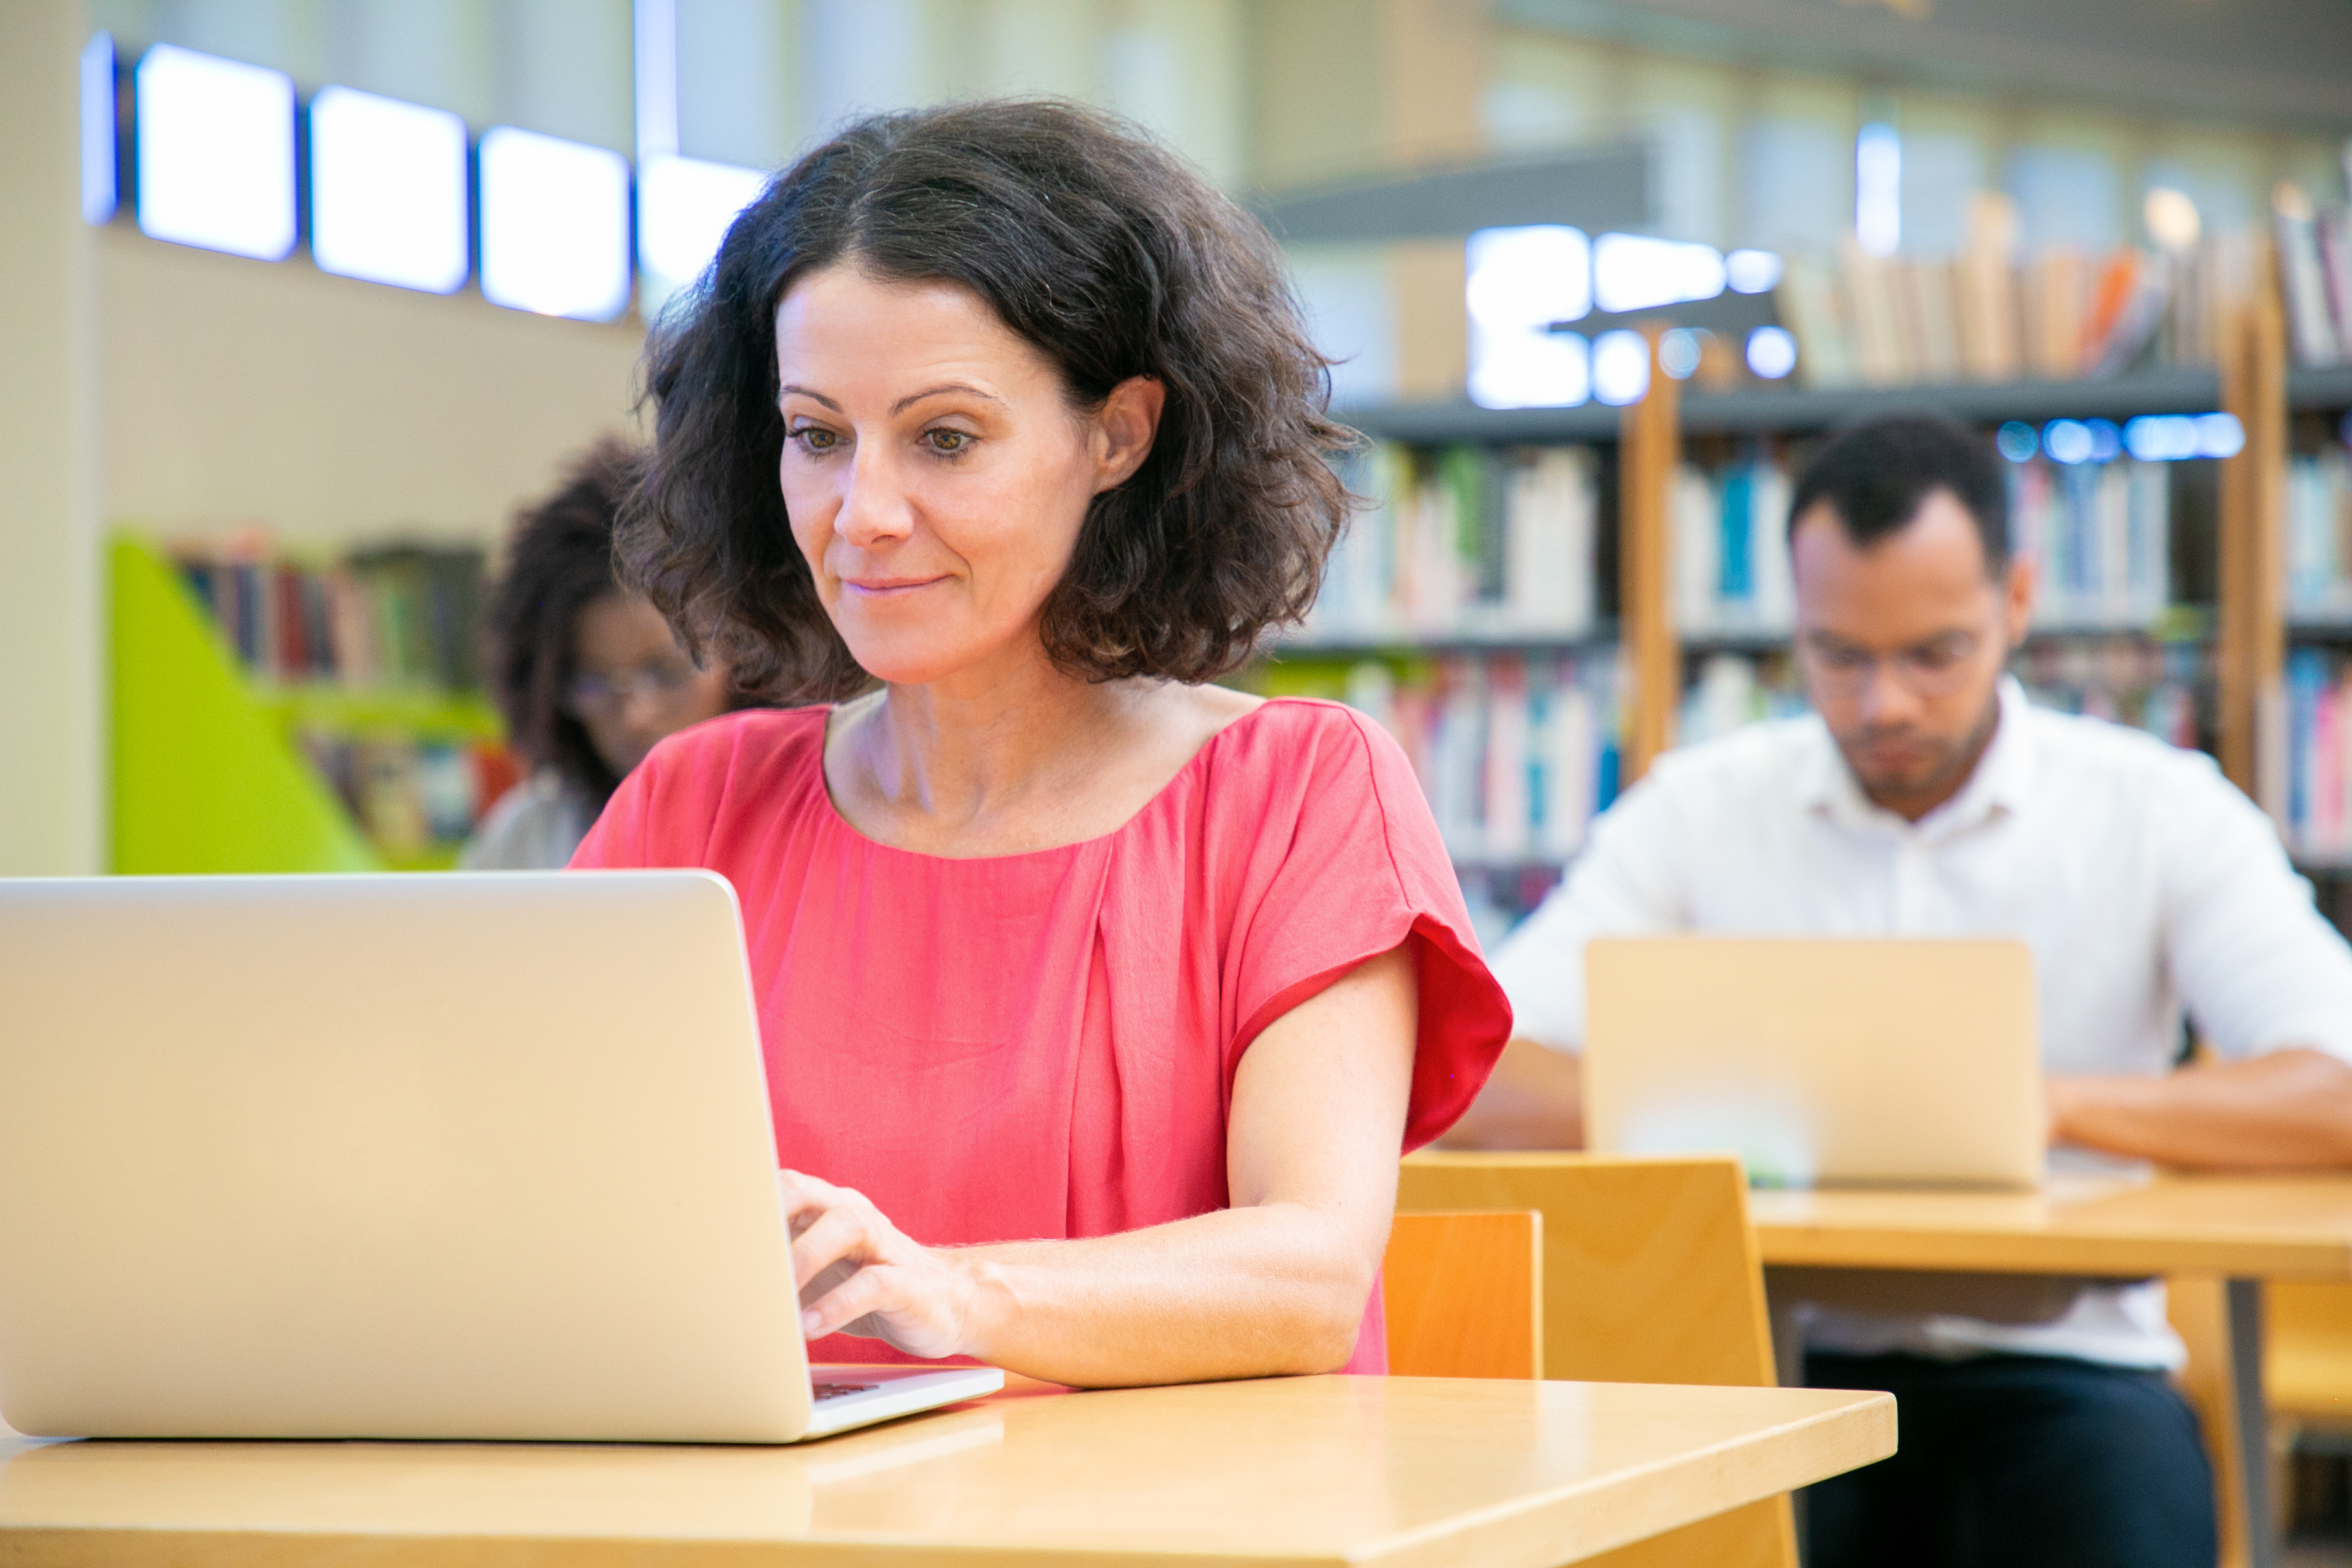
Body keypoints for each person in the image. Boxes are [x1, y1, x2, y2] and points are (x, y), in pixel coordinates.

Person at [570, 100, 1511, 1388]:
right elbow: (541, 1217)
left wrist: (953, 1291)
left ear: (1118, 434)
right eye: (816, 436)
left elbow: (1307, 1278)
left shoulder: (1297, 792)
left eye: (945, 437)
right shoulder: (689, 810)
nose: (866, 514)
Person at [1452, 412, 2352, 1568]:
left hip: (2069, 1373)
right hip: (1772, 1366)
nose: (1884, 705)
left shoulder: (2158, 810)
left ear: (2017, 603)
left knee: (2123, 1506)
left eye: (1934, 653)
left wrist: (2055, 1107)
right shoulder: (1699, 810)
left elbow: (2337, 1088)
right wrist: (1728, 1116)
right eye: (1839, 654)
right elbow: (1469, 1073)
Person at [464, 438, 740, 869]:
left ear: (751, 656)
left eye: (668, 673)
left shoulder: (809, 816)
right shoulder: (528, 842)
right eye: (593, 682)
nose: (635, 716)